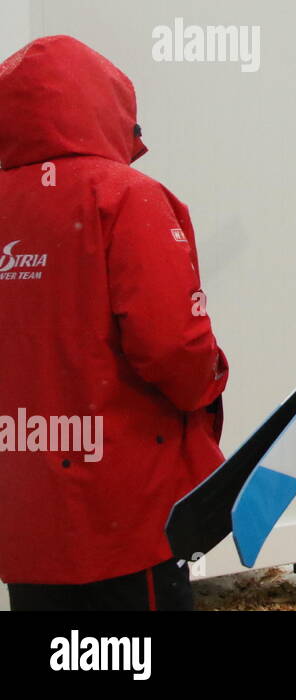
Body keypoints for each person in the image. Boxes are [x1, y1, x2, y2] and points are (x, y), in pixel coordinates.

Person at [0, 35, 229, 610]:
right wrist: (211, 381)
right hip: (124, 510)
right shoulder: (128, 198)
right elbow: (173, 346)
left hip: (25, 510)